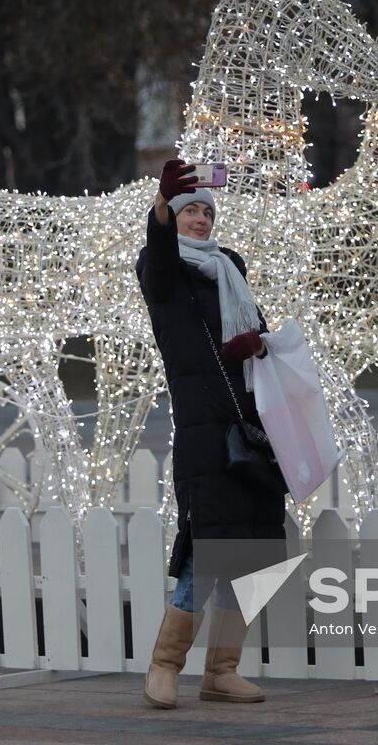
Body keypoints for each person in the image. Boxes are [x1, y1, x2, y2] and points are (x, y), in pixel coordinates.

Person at [135, 158, 287, 709]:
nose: (199, 219)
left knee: (257, 554)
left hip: (255, 427)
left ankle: (222, 672)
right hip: (206, 434)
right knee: (208, 550)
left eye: (205, 210)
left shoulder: (230, 269)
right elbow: (157, 261)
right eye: (189, 210)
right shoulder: (164, 273)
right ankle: (164, 665)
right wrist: (159, 209)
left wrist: (260, 345)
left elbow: (257, 332)